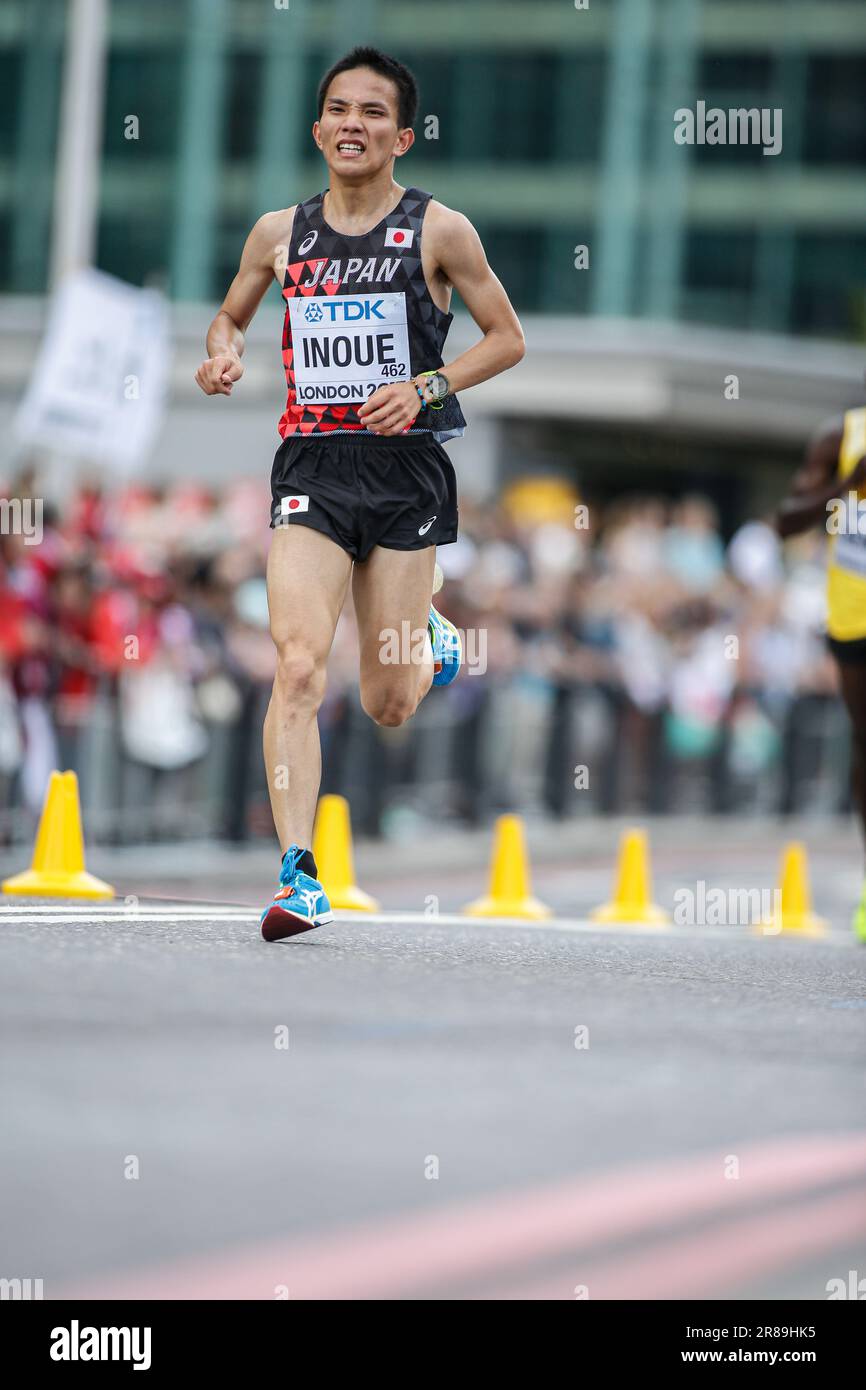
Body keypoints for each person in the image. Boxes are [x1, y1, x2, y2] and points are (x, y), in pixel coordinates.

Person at [196, 47, 525, 939]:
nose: (353, 124)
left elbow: (506, 339)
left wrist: (427, 387)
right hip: (311, 468)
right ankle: (299, 876)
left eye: (373, 113)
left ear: (403, 136)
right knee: (298, 665)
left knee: (387, 702)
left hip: (407, 470)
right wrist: (224, 348)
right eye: (338, 110)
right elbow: (232, 312)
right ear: (317, 129)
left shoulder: (440, 231)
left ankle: (432, 644)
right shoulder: (278, 232)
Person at [776, 401, 866, 939]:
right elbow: (786, 520)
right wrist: (848, 485)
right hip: (854, 614)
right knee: (864, 742)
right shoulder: (842, 434)